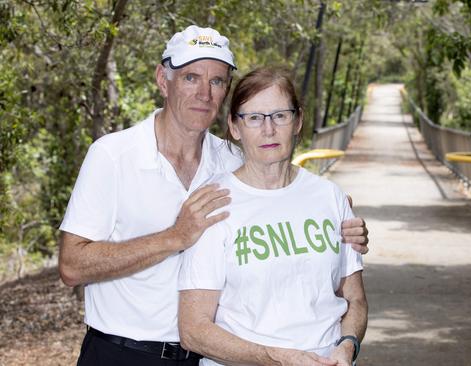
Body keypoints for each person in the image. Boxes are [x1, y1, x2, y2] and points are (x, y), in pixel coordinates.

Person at [58, 25, 369, 366]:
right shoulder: (113, 156)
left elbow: (285, 202)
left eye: (217, 81)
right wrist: (173, 237)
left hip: (208, 354)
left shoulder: (232, 158)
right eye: (191, 77)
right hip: (125, 351)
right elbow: (72, 266)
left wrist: (341, 221)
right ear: (164, 80)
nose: (204, 93)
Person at [177, 66, 368, 366]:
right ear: (235, 127)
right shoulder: (214, 203)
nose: (268, 130)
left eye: (280, 115)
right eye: (254, 118)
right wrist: (276, 358)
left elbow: (355, 300)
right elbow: (194, 331)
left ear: (297, 120)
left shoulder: (330, 197)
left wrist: (347, 346)